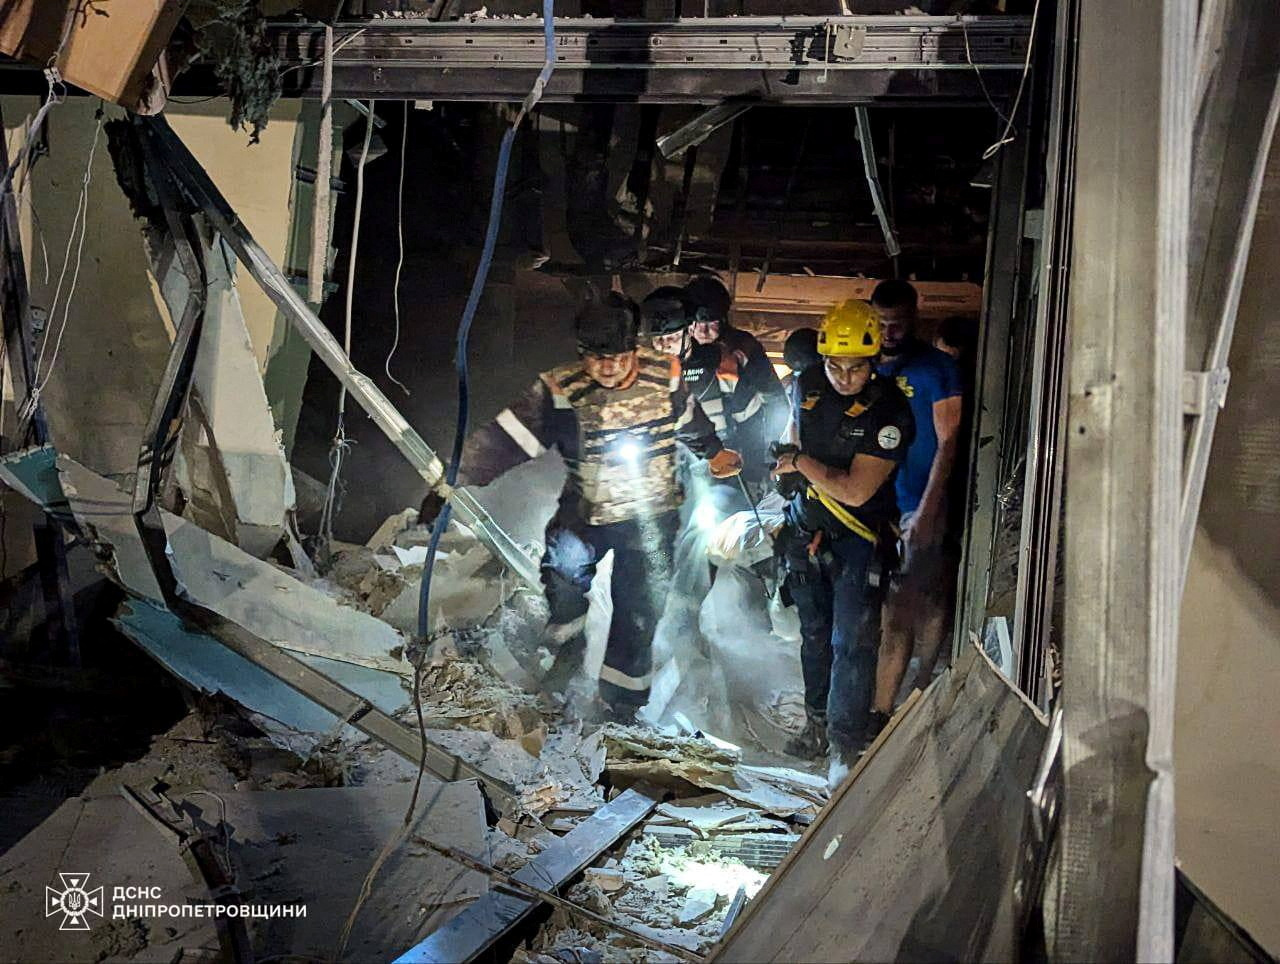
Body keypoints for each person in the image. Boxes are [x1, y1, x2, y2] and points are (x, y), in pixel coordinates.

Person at [440, 291, 743, 721]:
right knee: (563, 574)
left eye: (617, 357)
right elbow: (504, 440)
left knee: (639, 612)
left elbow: (689, 418)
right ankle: (567, 647)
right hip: (586, 508)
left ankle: (621, 705)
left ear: (632, 348)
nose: (607, 368)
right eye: (595, 358)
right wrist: (455, 481)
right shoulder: (561, 390)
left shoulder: (665, 377)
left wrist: (713, 451)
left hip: (651, 515)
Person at [773, 299, 914, 785]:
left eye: (854, 368)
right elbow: (793, 434)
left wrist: (801, 465)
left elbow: (856, 489)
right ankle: (817, 723)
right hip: (808, 529)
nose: (842, 377)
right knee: (813, 634)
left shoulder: (891, 411)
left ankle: (844, 746)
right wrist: (786, 469)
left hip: (860, 538)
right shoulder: (807, 383)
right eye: (835, 365)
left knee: (850, 642)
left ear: (873, 361)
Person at [869, 280, 963, 712]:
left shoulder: (937, 369)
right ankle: (880, 709)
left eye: (898, 324)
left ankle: (918, 692)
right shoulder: (865, 365)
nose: (890, 332)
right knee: (886, 607)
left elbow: (949, 441)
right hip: (875, 500)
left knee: (916, 600)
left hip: (918, 498)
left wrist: (928, 509)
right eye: (882, 323)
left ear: (915, 317)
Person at [683, 275, 789, 465]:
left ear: (723, 320)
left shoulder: (743, 346)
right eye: (697, 323)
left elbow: (775, 398)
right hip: (692, 447)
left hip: (743, 443)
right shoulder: (677, 351)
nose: (703, 331)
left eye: (711, 323)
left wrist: (771, 446)